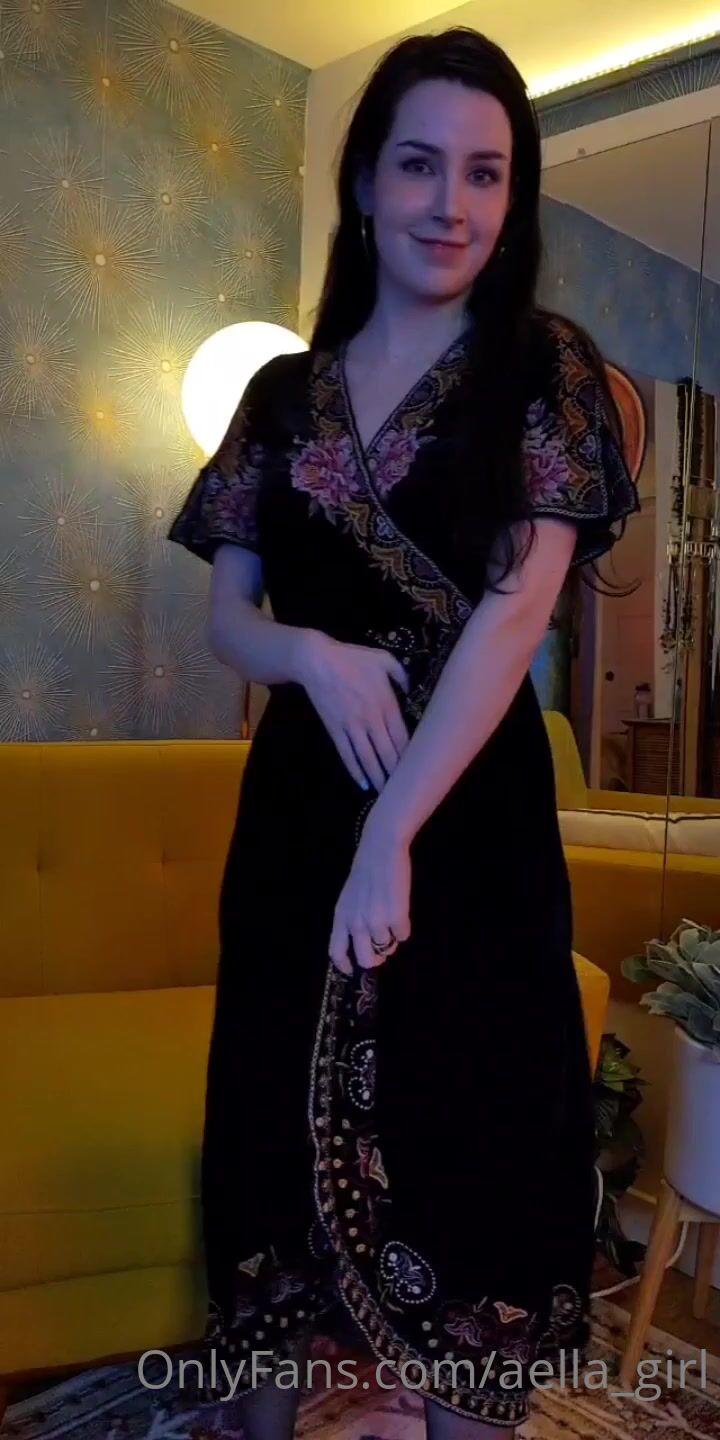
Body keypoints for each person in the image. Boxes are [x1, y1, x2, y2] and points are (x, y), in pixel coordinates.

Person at [167, 25, 640, 1439]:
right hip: (298, 808)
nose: (451, 203)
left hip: (468, 818)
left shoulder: (544, 369)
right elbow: (230, 620)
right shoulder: (279, 397)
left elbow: (517, 615)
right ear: (367, 182)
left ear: (514, 197)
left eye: (485, 174)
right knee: (268, 1119)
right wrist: (312, 657)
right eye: (421, 165)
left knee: (480, 1137)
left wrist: (393, 836)